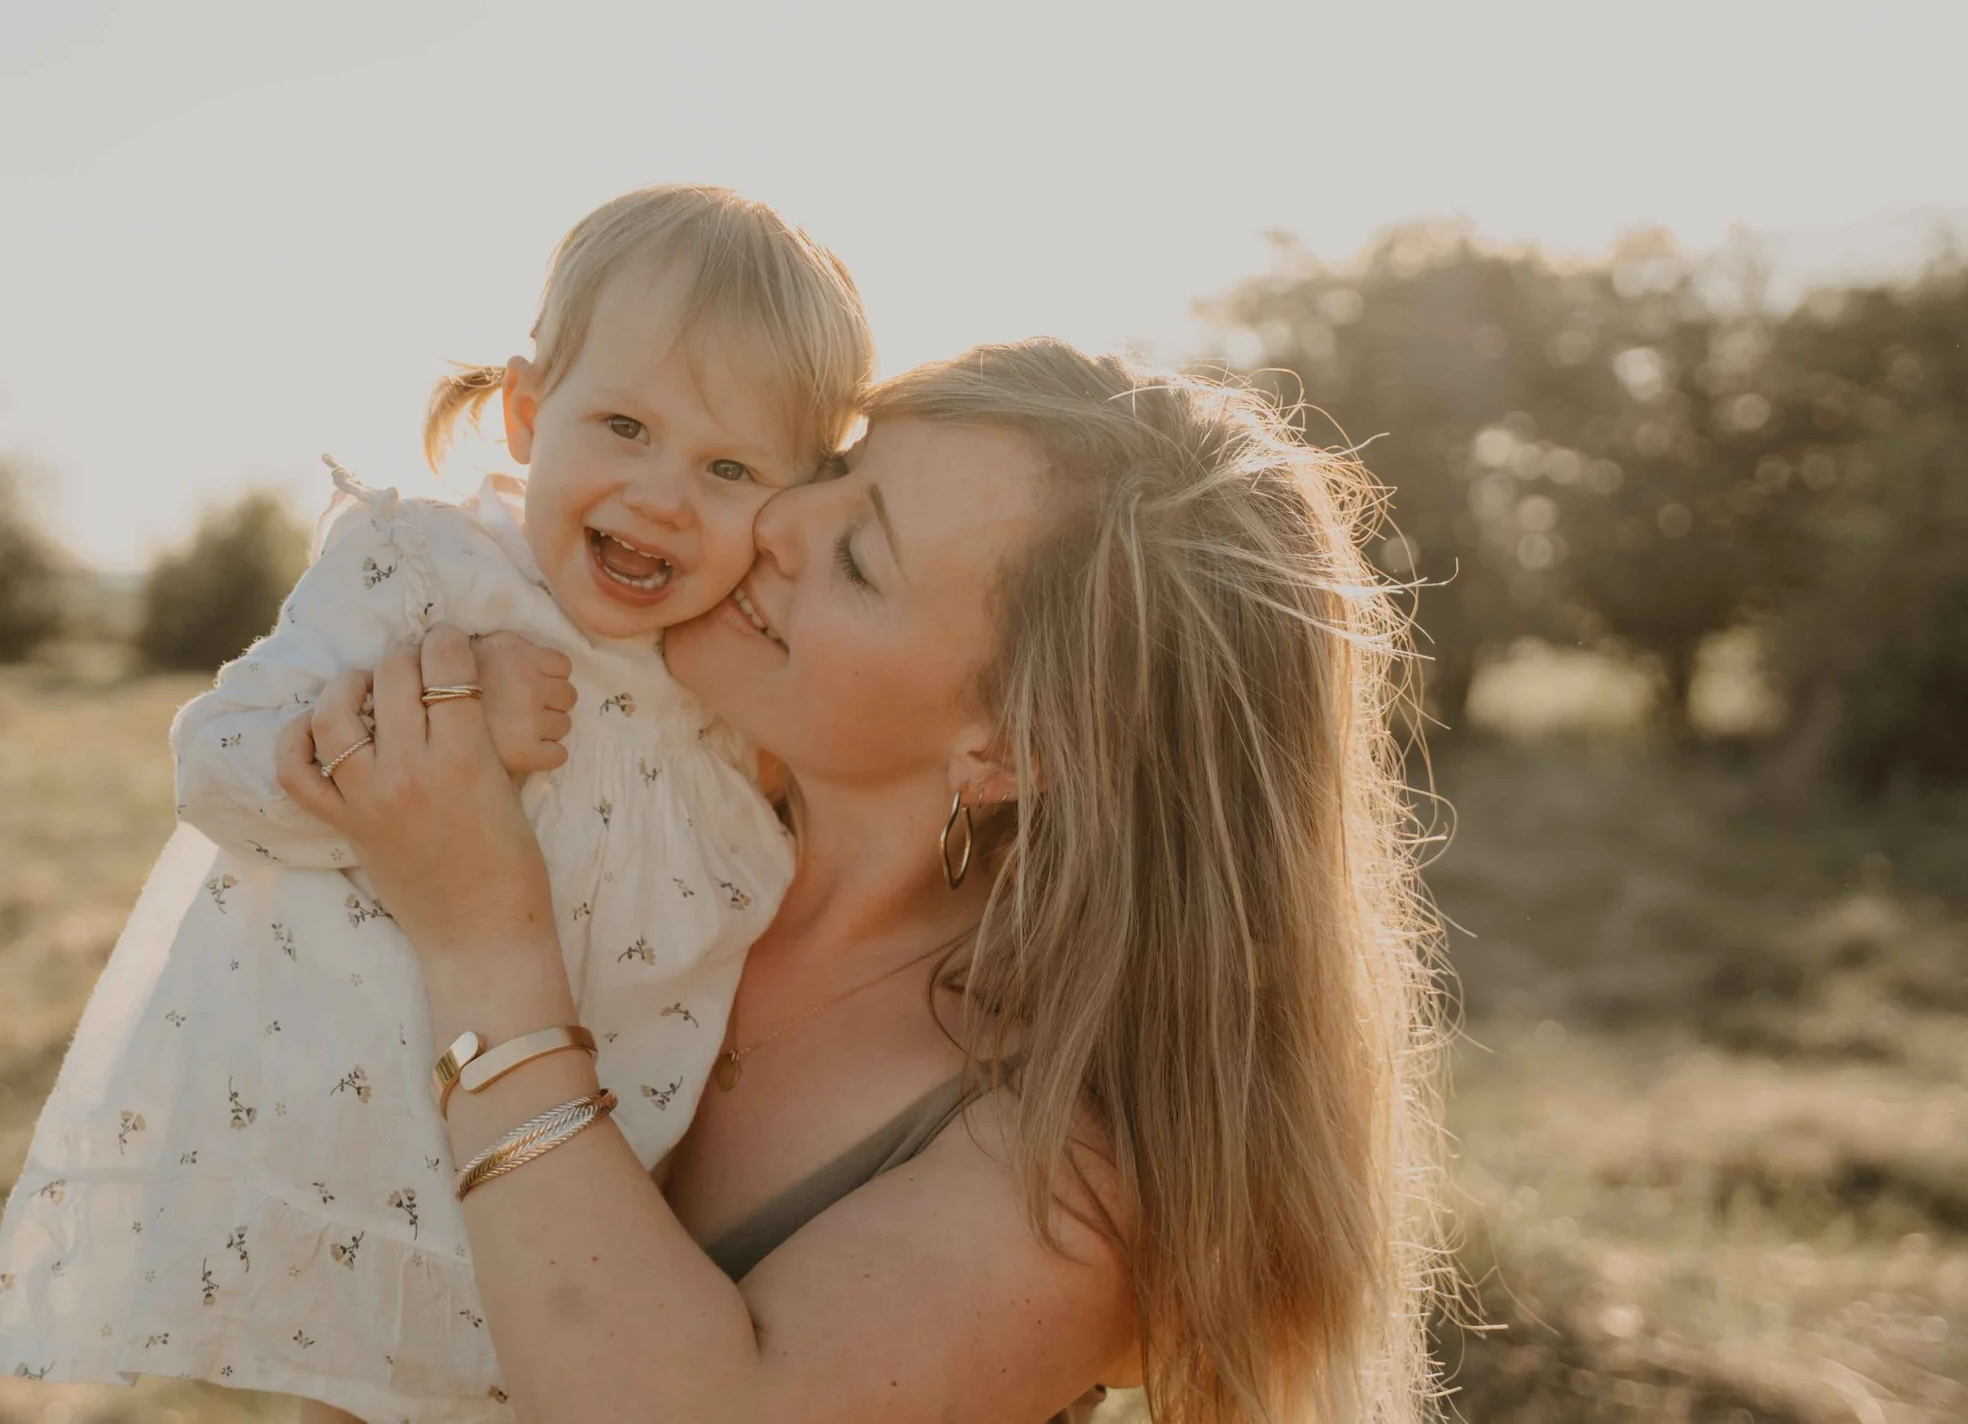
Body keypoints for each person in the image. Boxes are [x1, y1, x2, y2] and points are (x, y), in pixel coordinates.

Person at [278, 339, 1447, 1424]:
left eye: (855, 555)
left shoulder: (1068, 1172)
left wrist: (482, 942)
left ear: (1007, 748)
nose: (778, 517)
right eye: (836, 468)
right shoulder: (624, 814)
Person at [0, 186, 874, 1422]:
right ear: (525, 408)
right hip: (351, 1139)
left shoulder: (720, 665)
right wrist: (434, 728)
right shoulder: (427, 573)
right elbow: (217, 759)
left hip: (579, 1187)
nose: (663, 495)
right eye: (623, 425)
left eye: (727, 466)